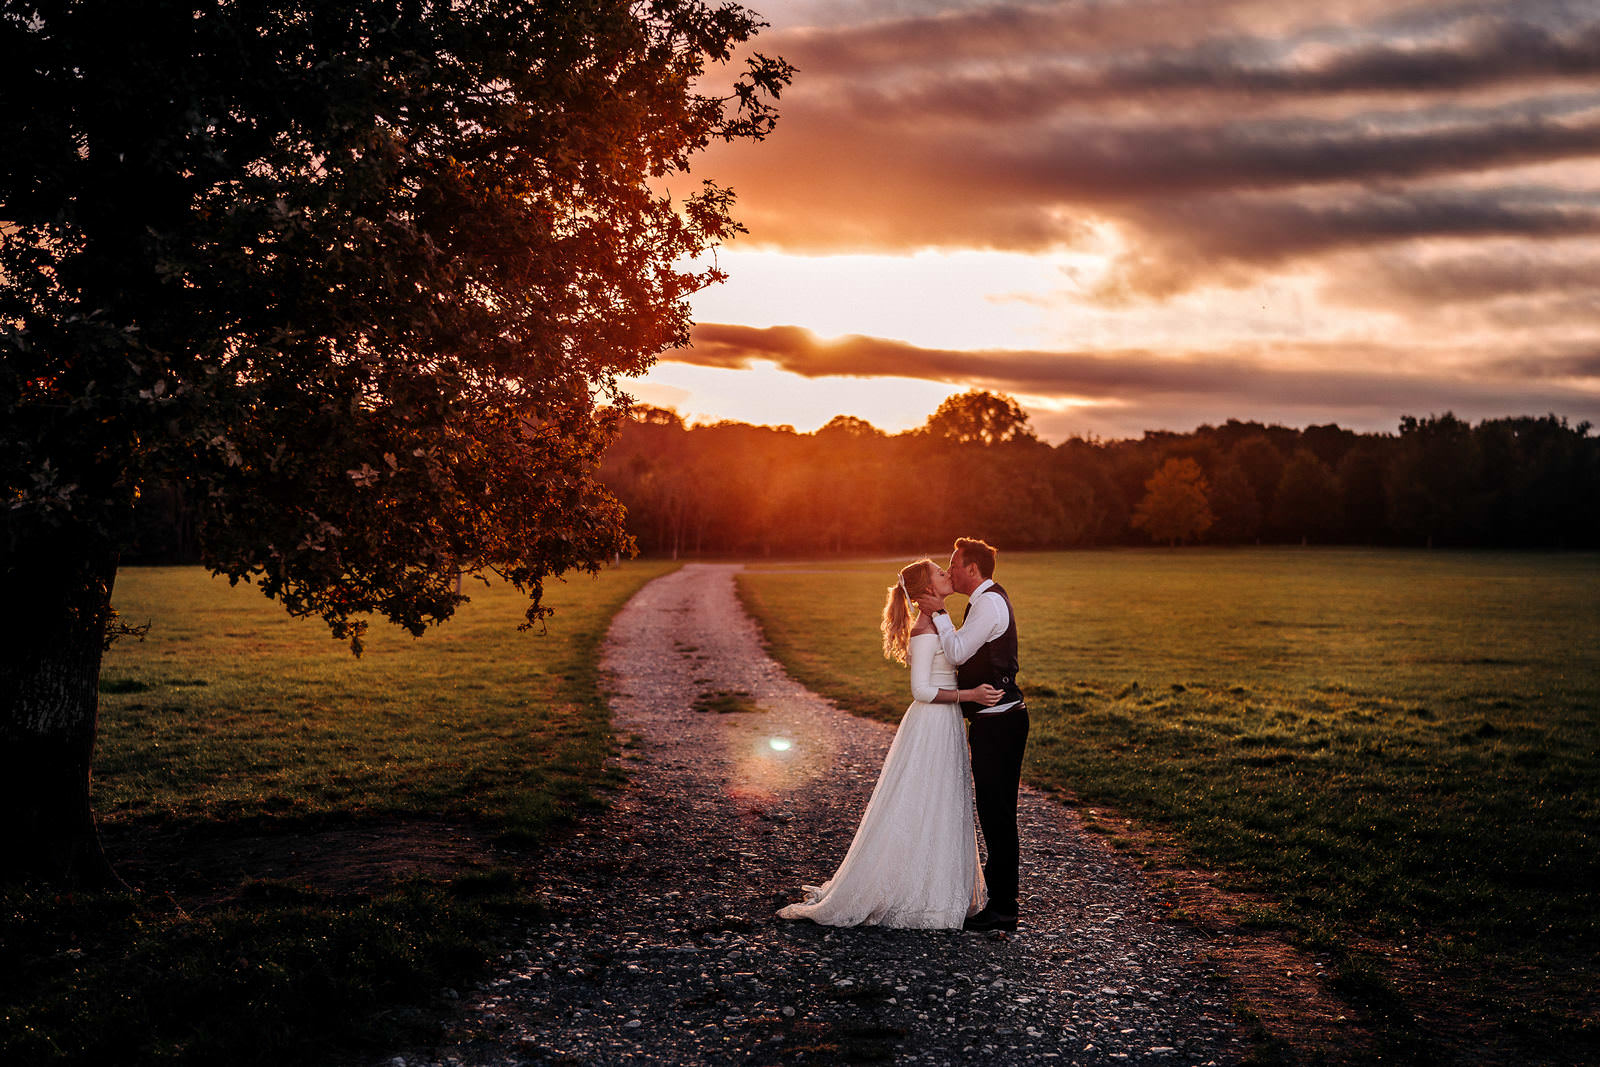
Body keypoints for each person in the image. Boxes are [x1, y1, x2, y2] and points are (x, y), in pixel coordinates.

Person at [777, 558, 1001, 928]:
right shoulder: (925, 630)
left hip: (943, 724)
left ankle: (939, 888)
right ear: (928, 589)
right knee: (923, 800)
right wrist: (971, 694)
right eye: (940, 574)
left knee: (942, 801)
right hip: (930, 724)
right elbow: (922, 690)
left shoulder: (937, 622)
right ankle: (916, 893)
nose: (947, 575)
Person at [915, 537, 1028, 932]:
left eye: (954, 564)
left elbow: (960, 652)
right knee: (993, 812)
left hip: (1002, 722)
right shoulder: (982, 601)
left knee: (997, 815)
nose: (951, 570)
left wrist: (941, 614)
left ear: (972, 569)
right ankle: (1000, 905)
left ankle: (1004, 909)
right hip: (992, 720)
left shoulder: (990, 603)